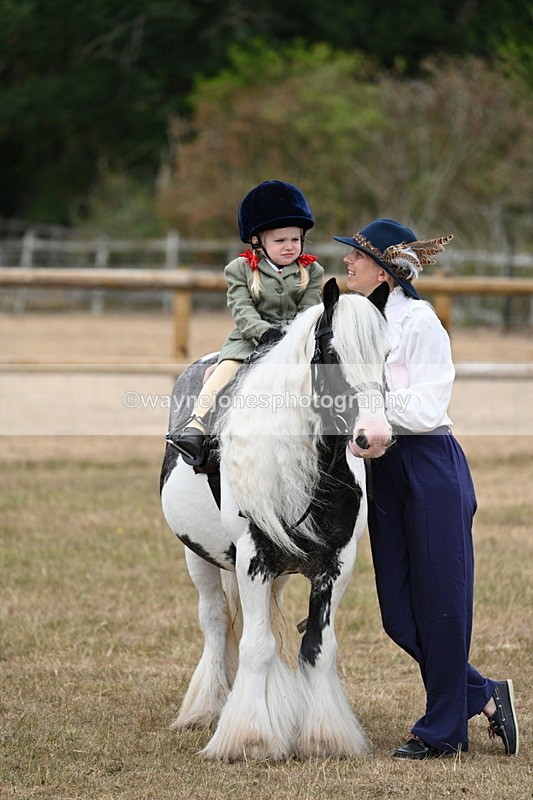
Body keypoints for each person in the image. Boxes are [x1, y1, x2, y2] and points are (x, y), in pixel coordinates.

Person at [333, 218, 519, 759]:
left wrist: (367, 410)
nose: (347, 262)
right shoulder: (355, 322)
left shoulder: (419, 323)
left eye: (357, 256)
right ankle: (484, 694)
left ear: (386, 271)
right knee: (397, 612)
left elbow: (427, 405)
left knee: (440, 604)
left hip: (430, 465)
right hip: (384, 469)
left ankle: (442, 733)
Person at [166, 180, 324, 465]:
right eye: (280, 241)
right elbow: (242, 310)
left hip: (296, 341)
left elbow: (311, 309)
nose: (290, 247)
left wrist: (293, 336)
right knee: (224, 372)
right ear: (257, 241)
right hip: (249, 340)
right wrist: (264, 333)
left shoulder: (311, 270)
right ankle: (196, 425)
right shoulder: (239, 269)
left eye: (295, 240)